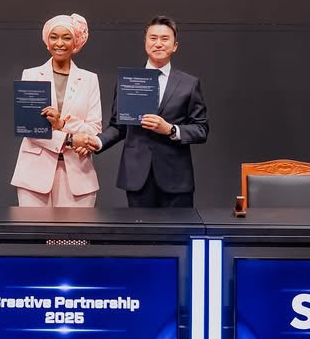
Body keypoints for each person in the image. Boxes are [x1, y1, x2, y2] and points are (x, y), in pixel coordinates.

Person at [75, 16, 209, 208]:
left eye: (165, 39)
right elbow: (118, 126)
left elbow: (201, 129)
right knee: (140, 228)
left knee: (178, 228)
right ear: (145, 42)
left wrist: (171, 129)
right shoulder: (129, 81)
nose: (158, 43)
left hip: (176, 178)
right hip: (137, 176)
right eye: (153, 38)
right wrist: (97, 141)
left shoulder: (189, 83)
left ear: (175, 46)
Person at [11, 13, 102, 207]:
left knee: (75, 229)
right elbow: (30, 127)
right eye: (54, 37)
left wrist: (61, 124)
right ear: (47, 41)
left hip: (79, 173)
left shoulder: (89, 79)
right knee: (33, 228)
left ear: (75, 42)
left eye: (66, 38)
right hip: (34, 175)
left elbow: (94, 129)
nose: (59, 43)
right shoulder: (31, 75)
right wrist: (70, 139)